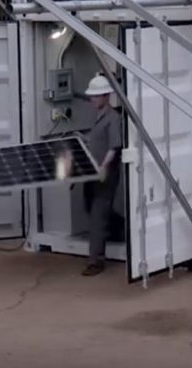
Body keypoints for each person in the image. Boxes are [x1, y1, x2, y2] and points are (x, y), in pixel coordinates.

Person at [78, 75, 123, 277]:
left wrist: (104, 167)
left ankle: (96, 261)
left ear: (105, 96)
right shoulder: (97, 117)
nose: (92, 100)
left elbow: (114, 146)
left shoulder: (113, 118)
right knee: (93, 210)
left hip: (104, 174)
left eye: (96, 97)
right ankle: (117, 230)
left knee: (98, 214)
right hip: (92, 173)